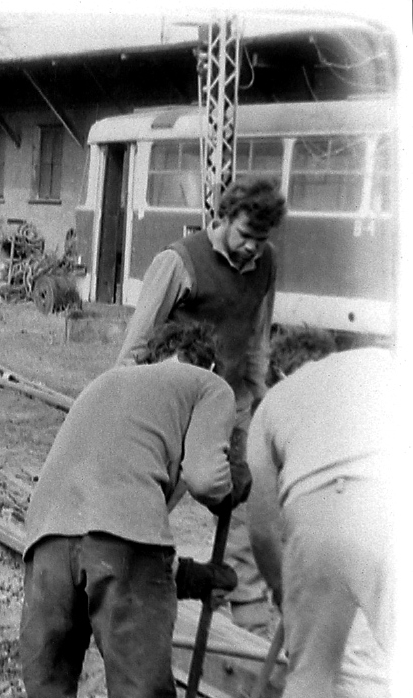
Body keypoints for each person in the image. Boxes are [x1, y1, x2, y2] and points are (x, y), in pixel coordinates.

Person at [0, 321, 245, 698]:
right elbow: (204, 481)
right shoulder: (208, 385)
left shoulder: (109, 384)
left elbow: (98, 536)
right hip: (121, 548)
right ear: (206, 362)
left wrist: (194, 578)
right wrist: (233, 484)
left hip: (45, 545)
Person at [115, 176, 287, 636]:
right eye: (246, 235)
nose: (253, 247)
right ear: (223, 218)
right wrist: (125, 413)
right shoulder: (179, 261)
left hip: (235, 404)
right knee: (149, 504)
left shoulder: (266, 264)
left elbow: (257, 342)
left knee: (247, 509)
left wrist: (261, 406)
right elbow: (136, 347)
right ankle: (125, 594)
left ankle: (249, 618)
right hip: (178, 408)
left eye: (261, 239)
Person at [244, 347, 395, 698]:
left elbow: (262, 523)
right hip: (389, 506)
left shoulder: (271, 404)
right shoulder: (383, 360)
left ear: (282, 370)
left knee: (308, 669)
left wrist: (284, 593)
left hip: (314, 518)